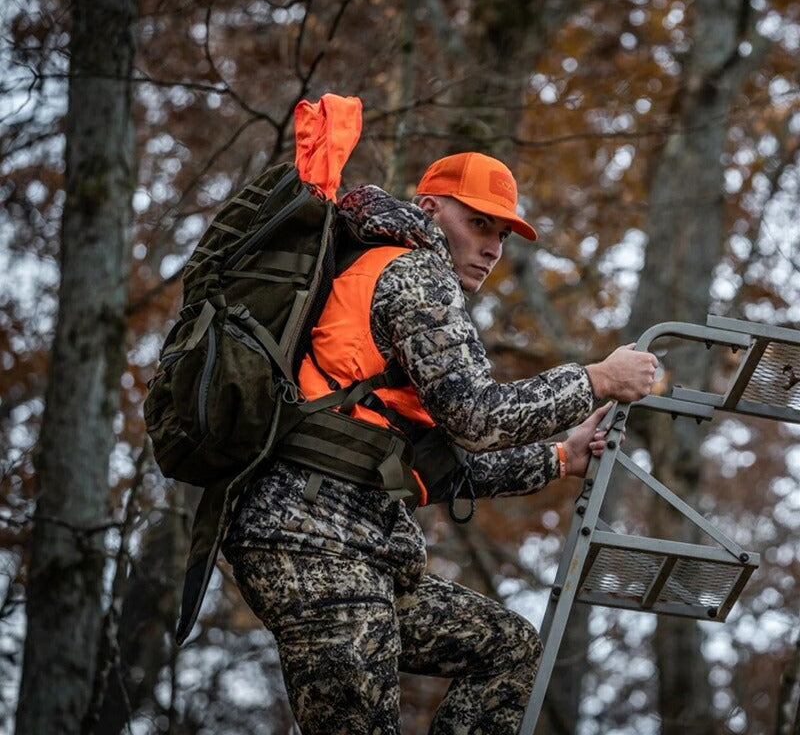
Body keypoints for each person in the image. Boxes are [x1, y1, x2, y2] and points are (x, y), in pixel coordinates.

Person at [222, 152, 657, 735]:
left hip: (353, 547)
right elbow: (478, 418)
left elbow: (440, 464)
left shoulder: (389, 275)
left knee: (507, 650)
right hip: (315, 544)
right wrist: (597, 379)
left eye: (501, 234)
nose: (493, 248)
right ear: (429, 209)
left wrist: (560, 458)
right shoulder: (414, 274)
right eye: (479, 224)